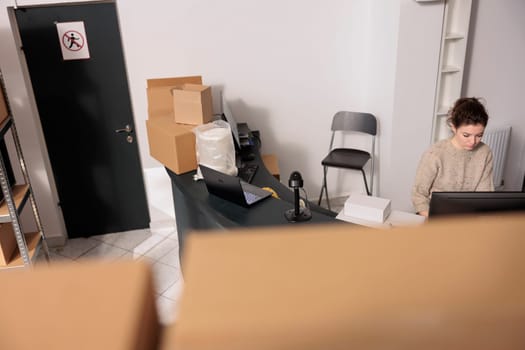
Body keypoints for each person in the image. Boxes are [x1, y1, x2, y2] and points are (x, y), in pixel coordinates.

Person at [412, 97, 494, 217]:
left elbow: (484, 196)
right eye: (466, 135)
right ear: (453, 127)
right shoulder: (435, 154)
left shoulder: (484, 152)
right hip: (434, 217)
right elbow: (418, 195)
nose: (473, 141)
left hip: (466, 218)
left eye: (479, 135)